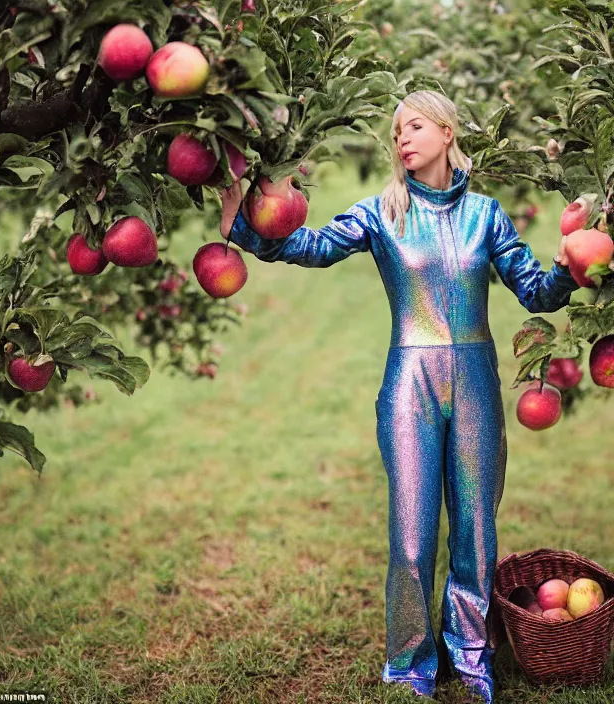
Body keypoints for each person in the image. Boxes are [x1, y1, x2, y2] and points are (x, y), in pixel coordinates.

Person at [219, 89, 579, 703]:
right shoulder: (381, 213)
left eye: (414, 127)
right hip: (409, 383)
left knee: (474, 529)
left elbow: (538, 293)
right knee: (411, 535)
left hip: (477, 384)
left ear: (446, 131)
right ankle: (411, 660)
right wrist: (241, 212)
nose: (403, 140)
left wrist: (577, 260)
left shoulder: (488, 215)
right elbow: (308, 246)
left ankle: (471, 657)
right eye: (396, 133)